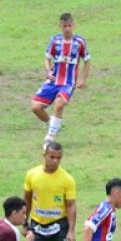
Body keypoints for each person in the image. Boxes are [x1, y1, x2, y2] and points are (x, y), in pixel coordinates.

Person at [18, 142, 87, 241]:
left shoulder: (67, 179)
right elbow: (27, 200)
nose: (55, 161)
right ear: (44, 156)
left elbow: (71, 206)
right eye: (52, 157)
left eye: (58, 158)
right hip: (37, 224)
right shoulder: (32, 175)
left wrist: (70, 231)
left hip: (59, 224)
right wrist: (24, 223)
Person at [30, 12, 90, 149]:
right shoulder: (55, 40)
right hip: (53, 80)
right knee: (35, 107)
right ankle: (54, 124)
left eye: (69, 25)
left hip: (68, 82)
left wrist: (83, 79)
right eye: (65, 26)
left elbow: (87, 61)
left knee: (59, 105)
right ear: (60, 26)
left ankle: (49, 137)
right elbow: (47, 57)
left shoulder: (80, 42)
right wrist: (48, 70)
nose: (67, 28)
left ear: (73, 25)